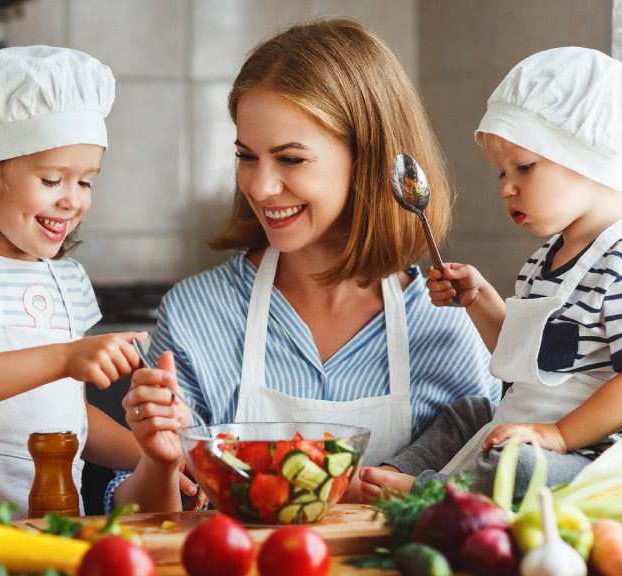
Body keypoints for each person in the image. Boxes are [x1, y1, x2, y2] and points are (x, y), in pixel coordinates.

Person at [107, 18, 501, 512]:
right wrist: (159, 464)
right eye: (247, 156)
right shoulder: (196, 314)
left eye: (290, 159)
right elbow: (141, 523)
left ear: (369, 159)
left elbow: (488, 502)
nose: (260, 186)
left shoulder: (449, 326)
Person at [359, 46, 622, 500]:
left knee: (520, 465)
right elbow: (524, 356)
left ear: (587, 157)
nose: (507, 188)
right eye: (502, 174)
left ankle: (426, 493)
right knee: (470, 413)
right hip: (534, 424)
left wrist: (561, 436)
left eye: (524, 168)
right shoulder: (544, 260)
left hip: (590, 454)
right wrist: (479, 298)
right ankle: (393, 473)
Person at [0, 45, 187, 518]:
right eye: (53, 180)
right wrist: (66, 357)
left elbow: (70, 418)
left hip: (54, 524)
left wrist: (161, 458)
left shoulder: (66, 279)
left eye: (86, 181)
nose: (73, 201)